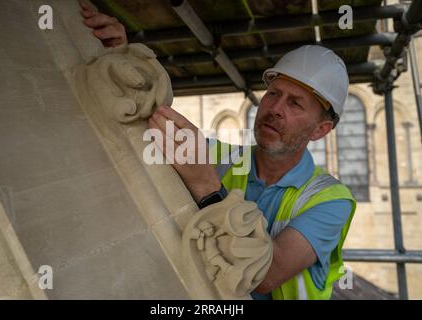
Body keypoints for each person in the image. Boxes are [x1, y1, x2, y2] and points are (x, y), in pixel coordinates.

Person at [80, 2, 356, 300]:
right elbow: (147, 131)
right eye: (274, 93)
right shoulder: (220, 157)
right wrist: (123, 60)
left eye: (295, 103)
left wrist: (207, 187)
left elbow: (266, 274)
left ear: (320, 130)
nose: (275, 108)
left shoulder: (331, 200)